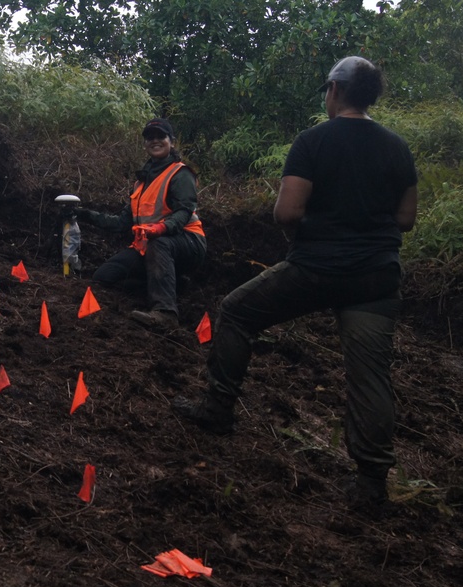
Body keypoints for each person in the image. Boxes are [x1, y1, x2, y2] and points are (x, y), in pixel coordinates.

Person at [174, 56, 418, 510]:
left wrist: (316, 233)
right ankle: (370, 484)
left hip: (316, 269)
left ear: (334, 90)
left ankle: (218, 409)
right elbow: (406, 219)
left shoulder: (313, 141)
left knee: (237, 311)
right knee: (369, 376)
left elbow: (285, 213)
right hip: (375, 280)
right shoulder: (397, 148)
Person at [75, 118, 206, 327]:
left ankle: (165, 313)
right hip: (151, 248)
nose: (155, 141)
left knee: (159, 243)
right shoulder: (141, 182)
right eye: (149, 137)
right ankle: (174, 284)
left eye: (160, 136)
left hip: (188, 243)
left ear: (171, 141)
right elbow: (120, 223)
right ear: (145, 144)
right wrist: (83, 215)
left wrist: (161, 228)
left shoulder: (180, 173)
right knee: (104, 276)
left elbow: (183, 212)